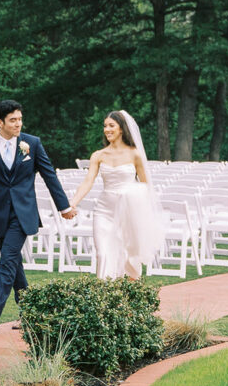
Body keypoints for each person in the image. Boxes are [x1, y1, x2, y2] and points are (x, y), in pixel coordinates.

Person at [0, 99, 75, 323]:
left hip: (23, 214)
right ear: (0, 122)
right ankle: (31, 313)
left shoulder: (32, 144)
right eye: (13, 120)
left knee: (7, 262)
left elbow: (49, 175)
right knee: (14, 265)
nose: (18, 124)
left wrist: (64, 206)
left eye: (20, 119)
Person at [72, 110, 167, 279]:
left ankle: (128, 297)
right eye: (105, 126)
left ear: (121, 129)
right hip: (104, 210)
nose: (107, 129)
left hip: (128, 211)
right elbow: (88, 182)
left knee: (127, 256)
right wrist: (73, 202)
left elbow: (146, 185)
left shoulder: (135, 154)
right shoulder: (98, 155)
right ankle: (104, 297)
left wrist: (138, 206)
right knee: (103, 254)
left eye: (111, 126)